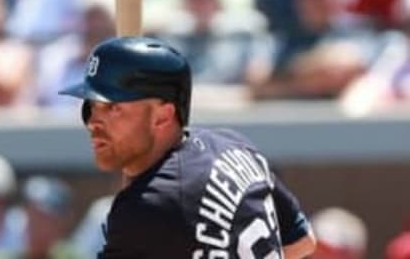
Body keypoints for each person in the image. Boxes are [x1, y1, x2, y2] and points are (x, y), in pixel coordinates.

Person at [60, 36, 316, 258]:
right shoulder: (233, 146)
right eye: (91, 107)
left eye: (112, 107)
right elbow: (302, 241)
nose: (93, 122)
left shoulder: (147, 204)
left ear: (162, 116)